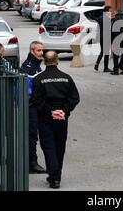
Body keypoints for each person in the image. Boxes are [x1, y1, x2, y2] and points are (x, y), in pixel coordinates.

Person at [31, 51, 80, 189]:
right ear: (57, 61)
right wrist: (64, 110)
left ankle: (54, 177)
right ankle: (56, 175)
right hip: (62, 118)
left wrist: (50, 111)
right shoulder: (66, 78)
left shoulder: (38, 79)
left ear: (44, 62)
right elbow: (75, 98)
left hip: (45, 118)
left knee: (48, 146)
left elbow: (36, 100)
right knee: (60, 146)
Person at [20, 41, 47, 174]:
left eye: (42, 50)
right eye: (38, 50)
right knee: (31, 135)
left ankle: (31, 161)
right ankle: (31, 163)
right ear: (32, 51)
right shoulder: (28, 67)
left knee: (33, 134)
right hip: (31, 107)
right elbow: (26, 90)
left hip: (35, 106)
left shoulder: (35, 66)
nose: (41, 53)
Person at [111, 10, 123, 75]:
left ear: (116, 13)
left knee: (115, 55)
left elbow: (112, 32)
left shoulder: (114, 20)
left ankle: (116, 71)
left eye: (114, 13)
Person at [94, 6, 113, 73]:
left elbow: (97, 28)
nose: (111, 12)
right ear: (106, 11)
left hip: (101, 36)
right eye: (110, 11)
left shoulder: (99, 18)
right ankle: (106, 68)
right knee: (106, 52)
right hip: (106, 36)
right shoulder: (108, 19)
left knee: (102, 51)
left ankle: (97, 63)